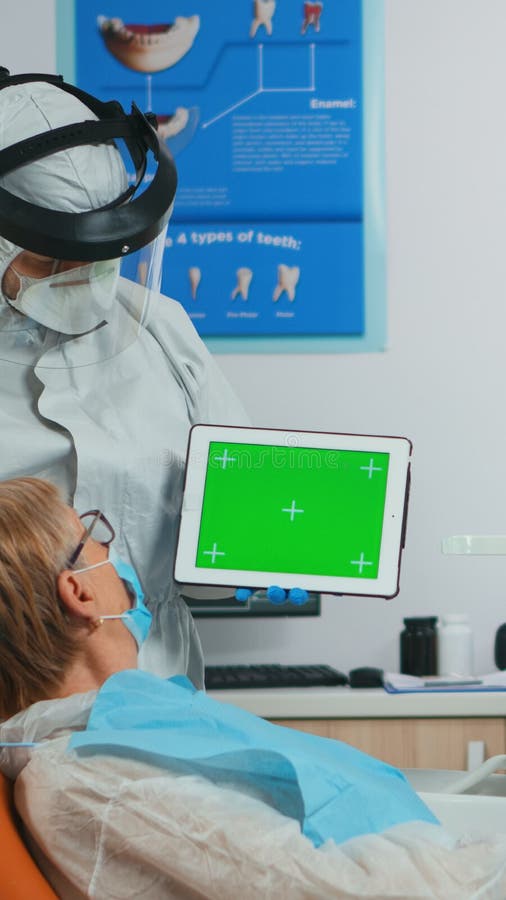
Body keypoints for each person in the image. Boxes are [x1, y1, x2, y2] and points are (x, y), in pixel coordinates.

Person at [1, 477, 506, 900]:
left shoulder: (116, 735)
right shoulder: (91, 784)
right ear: (80, 591)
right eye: (92, 536)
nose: (111, 550)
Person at [0, 67, 249, 688]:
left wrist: (277, 549)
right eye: (52, 257)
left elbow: (225, 535)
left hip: (154, 701)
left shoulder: (161, 329)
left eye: (100, 254)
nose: (81, 275)